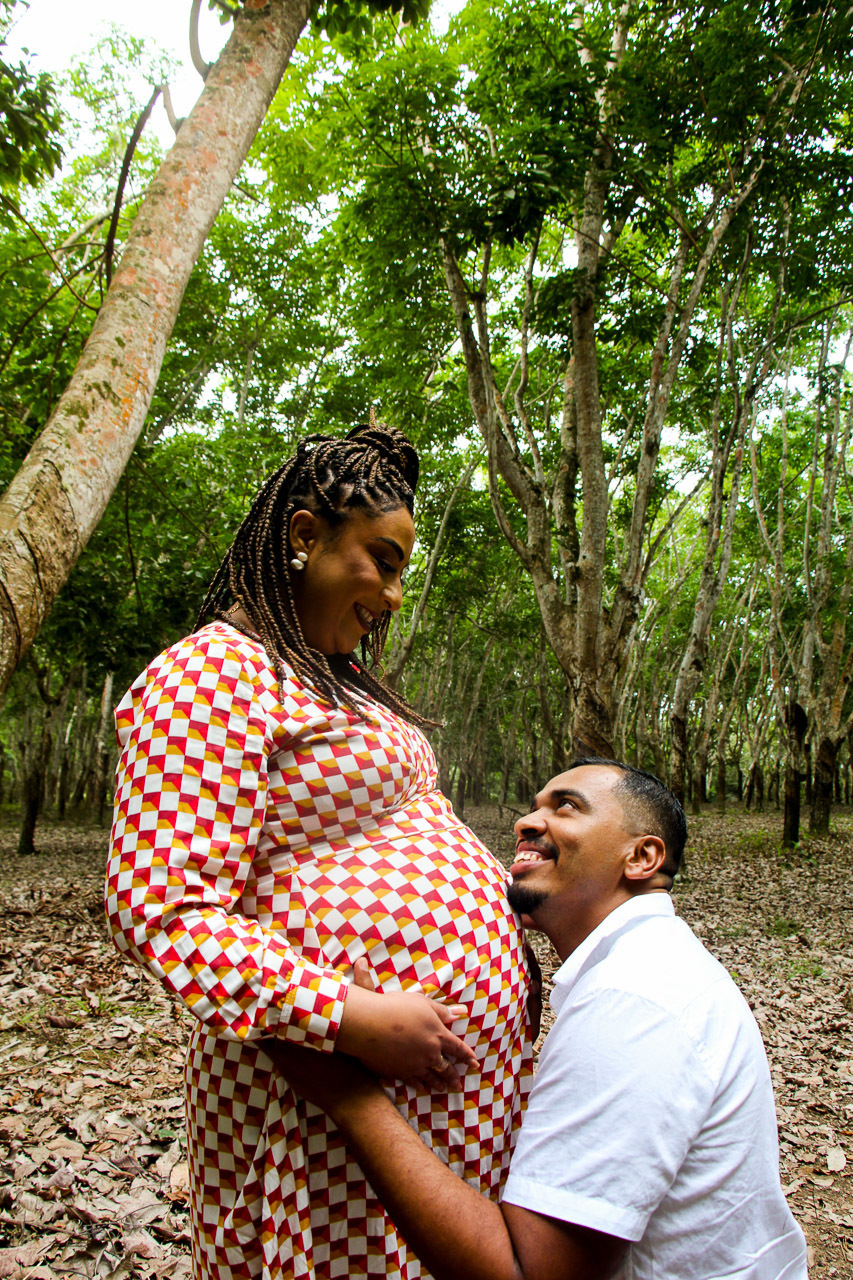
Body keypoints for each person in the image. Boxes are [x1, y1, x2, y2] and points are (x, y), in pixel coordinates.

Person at [105, 423, 533, 1280]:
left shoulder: (331, 678)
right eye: (381, 559)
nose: (393, 594)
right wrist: (351, 1016)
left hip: (441, 1096)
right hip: (317, 1089)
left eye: (401, 568)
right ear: (304, 537)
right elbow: (161, 911)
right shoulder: (211, 673)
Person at [274, 758, 809, 1280]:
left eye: (567, 807)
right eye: (533, 807)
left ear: (642, 857)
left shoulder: (634, 1004)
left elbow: (526, 1271)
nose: (526, 822)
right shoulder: (645, 965)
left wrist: (351, 1097)